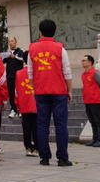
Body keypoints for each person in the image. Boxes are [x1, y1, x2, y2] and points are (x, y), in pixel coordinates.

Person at [30, 19, 73, 167]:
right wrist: (70, 90)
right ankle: (62, 158)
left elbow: (30, 73)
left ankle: (44, 158)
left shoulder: (33, 49)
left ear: (40, 32)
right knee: (61, 125)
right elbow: (67, 72)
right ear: (54, 31)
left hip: (41, 92)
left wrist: (35, 88)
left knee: (42, 125)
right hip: (59, 91)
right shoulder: (60, 49)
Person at [81, 54, 100, 148]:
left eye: (84, 60)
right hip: (87, 100)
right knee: (92, 121)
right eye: (82, 61)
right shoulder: (83, 74)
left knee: (98, 120)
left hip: (95, 100)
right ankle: (95, 139)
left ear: (90, 62)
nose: (82, 62)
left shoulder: (95, 72)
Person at [15, 66, 38, 157]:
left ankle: (28, 148)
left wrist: (17, 104)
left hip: (24, 104)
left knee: (26, 128)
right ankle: (37, 148)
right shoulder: (37, 71)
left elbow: (16, 90)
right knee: (36, 127)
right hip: (36, 103)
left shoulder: (18, 73)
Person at [4, 37, 27, 118]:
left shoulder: (21, 51)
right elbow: (2, 61)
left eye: (12, 41)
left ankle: (21, 109)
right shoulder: (8, 53)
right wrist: (4, 56)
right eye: (9, 41)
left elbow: (24, 59)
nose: (10, 43)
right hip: (10, 76)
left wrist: (15, 57)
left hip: (18, 77)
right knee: (11, 94)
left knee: (19, 93)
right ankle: (13, 109)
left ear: (16, 42)